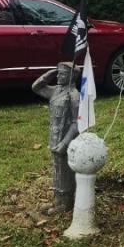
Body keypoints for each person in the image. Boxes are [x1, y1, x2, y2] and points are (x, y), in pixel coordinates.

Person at [31, 62, 79, 212]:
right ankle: (58, 200)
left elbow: (76, 123)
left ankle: (65, 203)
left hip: (65, 140)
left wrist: (65, 143)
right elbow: (36, 87)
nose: (58, 76)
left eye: (62, 74)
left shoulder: (74, 96)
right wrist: (50, 73)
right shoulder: (56, 91)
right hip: (54, 137)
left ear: (71, 77)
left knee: (65, 171)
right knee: (57, 169)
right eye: (58, 73)